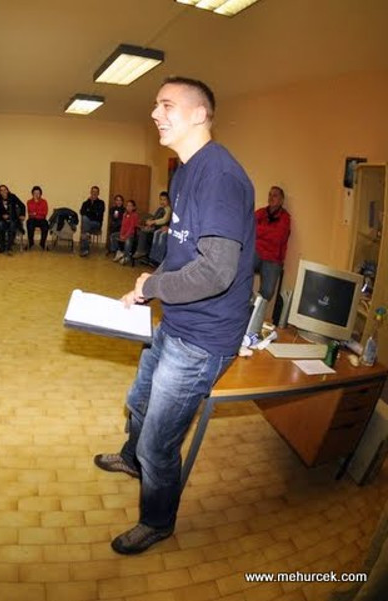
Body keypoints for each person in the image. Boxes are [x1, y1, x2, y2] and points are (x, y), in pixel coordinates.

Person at [94, 76, 255, 555]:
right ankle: (132, 460)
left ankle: (157, 521)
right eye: (155, 105)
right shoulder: (184, 172)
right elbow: (184, 253)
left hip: (203, 338)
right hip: (177, 321)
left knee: (160, 444)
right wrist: (147, 287)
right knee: (139, 402)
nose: (155, 114)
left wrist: (155, 286)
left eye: (166, 105)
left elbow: (217, 272)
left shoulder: (220, 177)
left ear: (200, 114)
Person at [254, 185, 291, 301]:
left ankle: (255, 309)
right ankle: (242, 303)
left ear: (281, 200)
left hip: (273, 258)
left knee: (268, 292)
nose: (271, 197)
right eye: (269, 195)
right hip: (257, 252)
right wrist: (269, 231)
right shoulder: (261, 212)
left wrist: (260, 230)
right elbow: (249, 227)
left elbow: (278, 237)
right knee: (239, 271)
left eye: (275, 195)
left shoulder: (285, 218)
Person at [134, 191, 172, 260]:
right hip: (155, 226)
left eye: (164, 200)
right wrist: (150, 221)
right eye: (161, 199)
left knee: (143, 232)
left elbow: (164, 220)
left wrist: (153, 222)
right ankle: (142, 250)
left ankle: (141, 251)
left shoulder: (168, 209)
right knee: (142, 228)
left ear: (168, 201)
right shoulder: (160, 209)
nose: (162, 201)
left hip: (160, 228)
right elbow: (155, 217)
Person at [0, 184, 24, 253]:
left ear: (7, 190)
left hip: (13, 219)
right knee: (0, 224)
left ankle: (9, 247)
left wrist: (22, 215)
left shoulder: (13, 197)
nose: (3, 192)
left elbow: (22, 205)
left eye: (5, 190)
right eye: (1, 190)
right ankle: (2, 246)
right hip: (2, 220)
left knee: (12, 225)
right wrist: (2, 216)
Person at [79, 185, 105, 257]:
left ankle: (84, 249)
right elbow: (82, 212)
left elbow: (98, 215)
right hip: (87, 224)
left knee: (85, 220)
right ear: (90, 192)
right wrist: (89, 203)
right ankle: (87, 236)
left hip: (96, 224)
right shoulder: (85, 203)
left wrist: (89, 211)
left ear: (98, 193)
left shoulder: (101, 203)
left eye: (96, 192)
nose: (94, 193)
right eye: (93, 191)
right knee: (85, 220)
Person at [113, 199, 140, 265]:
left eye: (130, 206)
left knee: (128, 241)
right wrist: (121, 234)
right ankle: (119, 252)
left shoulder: (135, 215)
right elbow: (123, 225)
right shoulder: (125, 214)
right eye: (127, 206)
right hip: (124, 233)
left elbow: (131, 227)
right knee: (113, 236)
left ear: (134, 207)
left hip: (132, 234)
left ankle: (127, 256)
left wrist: (125, 236)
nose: (128, 207)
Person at [26, 185, 49, 250]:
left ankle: (42, 243)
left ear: (40, 194)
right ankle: (31, 243)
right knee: (29, 224)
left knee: (46, 225)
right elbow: (30, 212)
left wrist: (36, 213)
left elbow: (45, 212)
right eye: (35, 193)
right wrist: (37, 211)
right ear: (32, 194)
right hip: (32, 219)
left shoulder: (44, 201)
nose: (36, 195)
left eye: (38, 193)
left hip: (42, 219)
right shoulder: (29, 202)